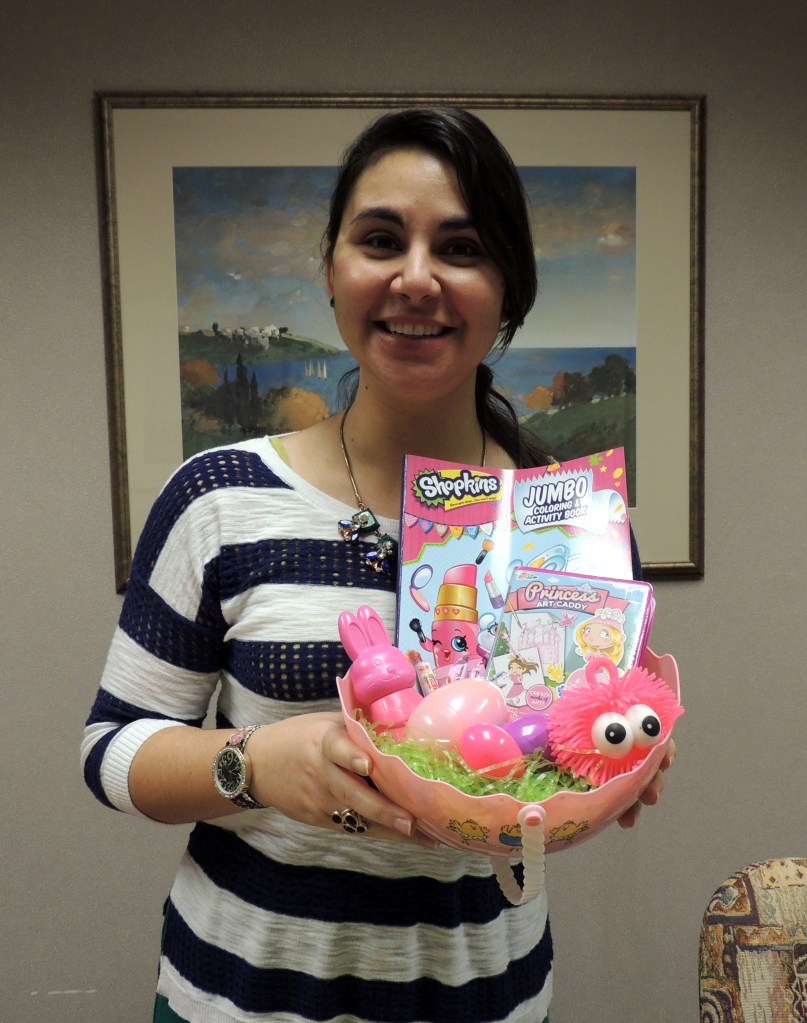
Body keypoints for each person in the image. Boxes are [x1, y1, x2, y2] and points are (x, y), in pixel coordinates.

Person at [82, 106, 674, 1023]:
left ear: (508, 288)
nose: (415, 277)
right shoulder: (218, 498)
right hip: (239, 998)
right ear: (332, 272)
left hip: (491, 997)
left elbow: (572, 741)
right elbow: (109, 750)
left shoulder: (573, 524)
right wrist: (254, 763)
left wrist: (616, 766)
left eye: (461, 246)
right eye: (380, 239)